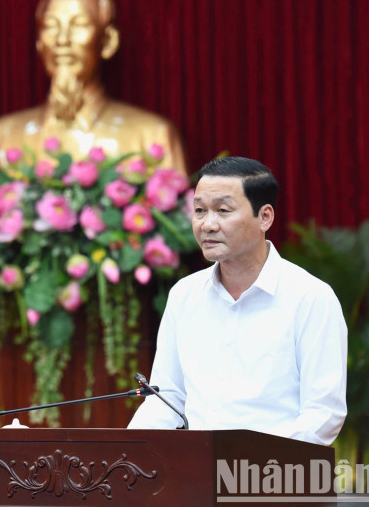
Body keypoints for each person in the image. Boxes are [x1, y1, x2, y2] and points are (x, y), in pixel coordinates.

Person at [127, 157, 347, 445]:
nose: (207, 224)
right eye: (199, 211)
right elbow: (166, 398)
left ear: (264, 217)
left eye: (223, 210)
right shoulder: (184, 295)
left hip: (273, 468)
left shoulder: (310, 297)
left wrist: (257, 462)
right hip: (196, 468)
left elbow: (323, 413)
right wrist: (126, 454)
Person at [0, 0, 186, 173]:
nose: (62, 40)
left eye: (78, 25)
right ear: (39, 44)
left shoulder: (153, 139)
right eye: (51, 26)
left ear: (108, 41)